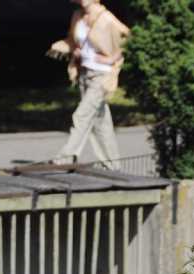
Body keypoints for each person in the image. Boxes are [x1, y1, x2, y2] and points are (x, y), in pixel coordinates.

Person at [50, 0, 129, 169]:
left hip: (102, 75)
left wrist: (112, 58)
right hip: (84, 73)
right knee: (100, 123)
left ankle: (65, 158)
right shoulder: (77, 16)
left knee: (82, 115)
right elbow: (74, 39)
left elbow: (128, 38)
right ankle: (113, 165)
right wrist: (75, 49)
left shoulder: (106, 18)